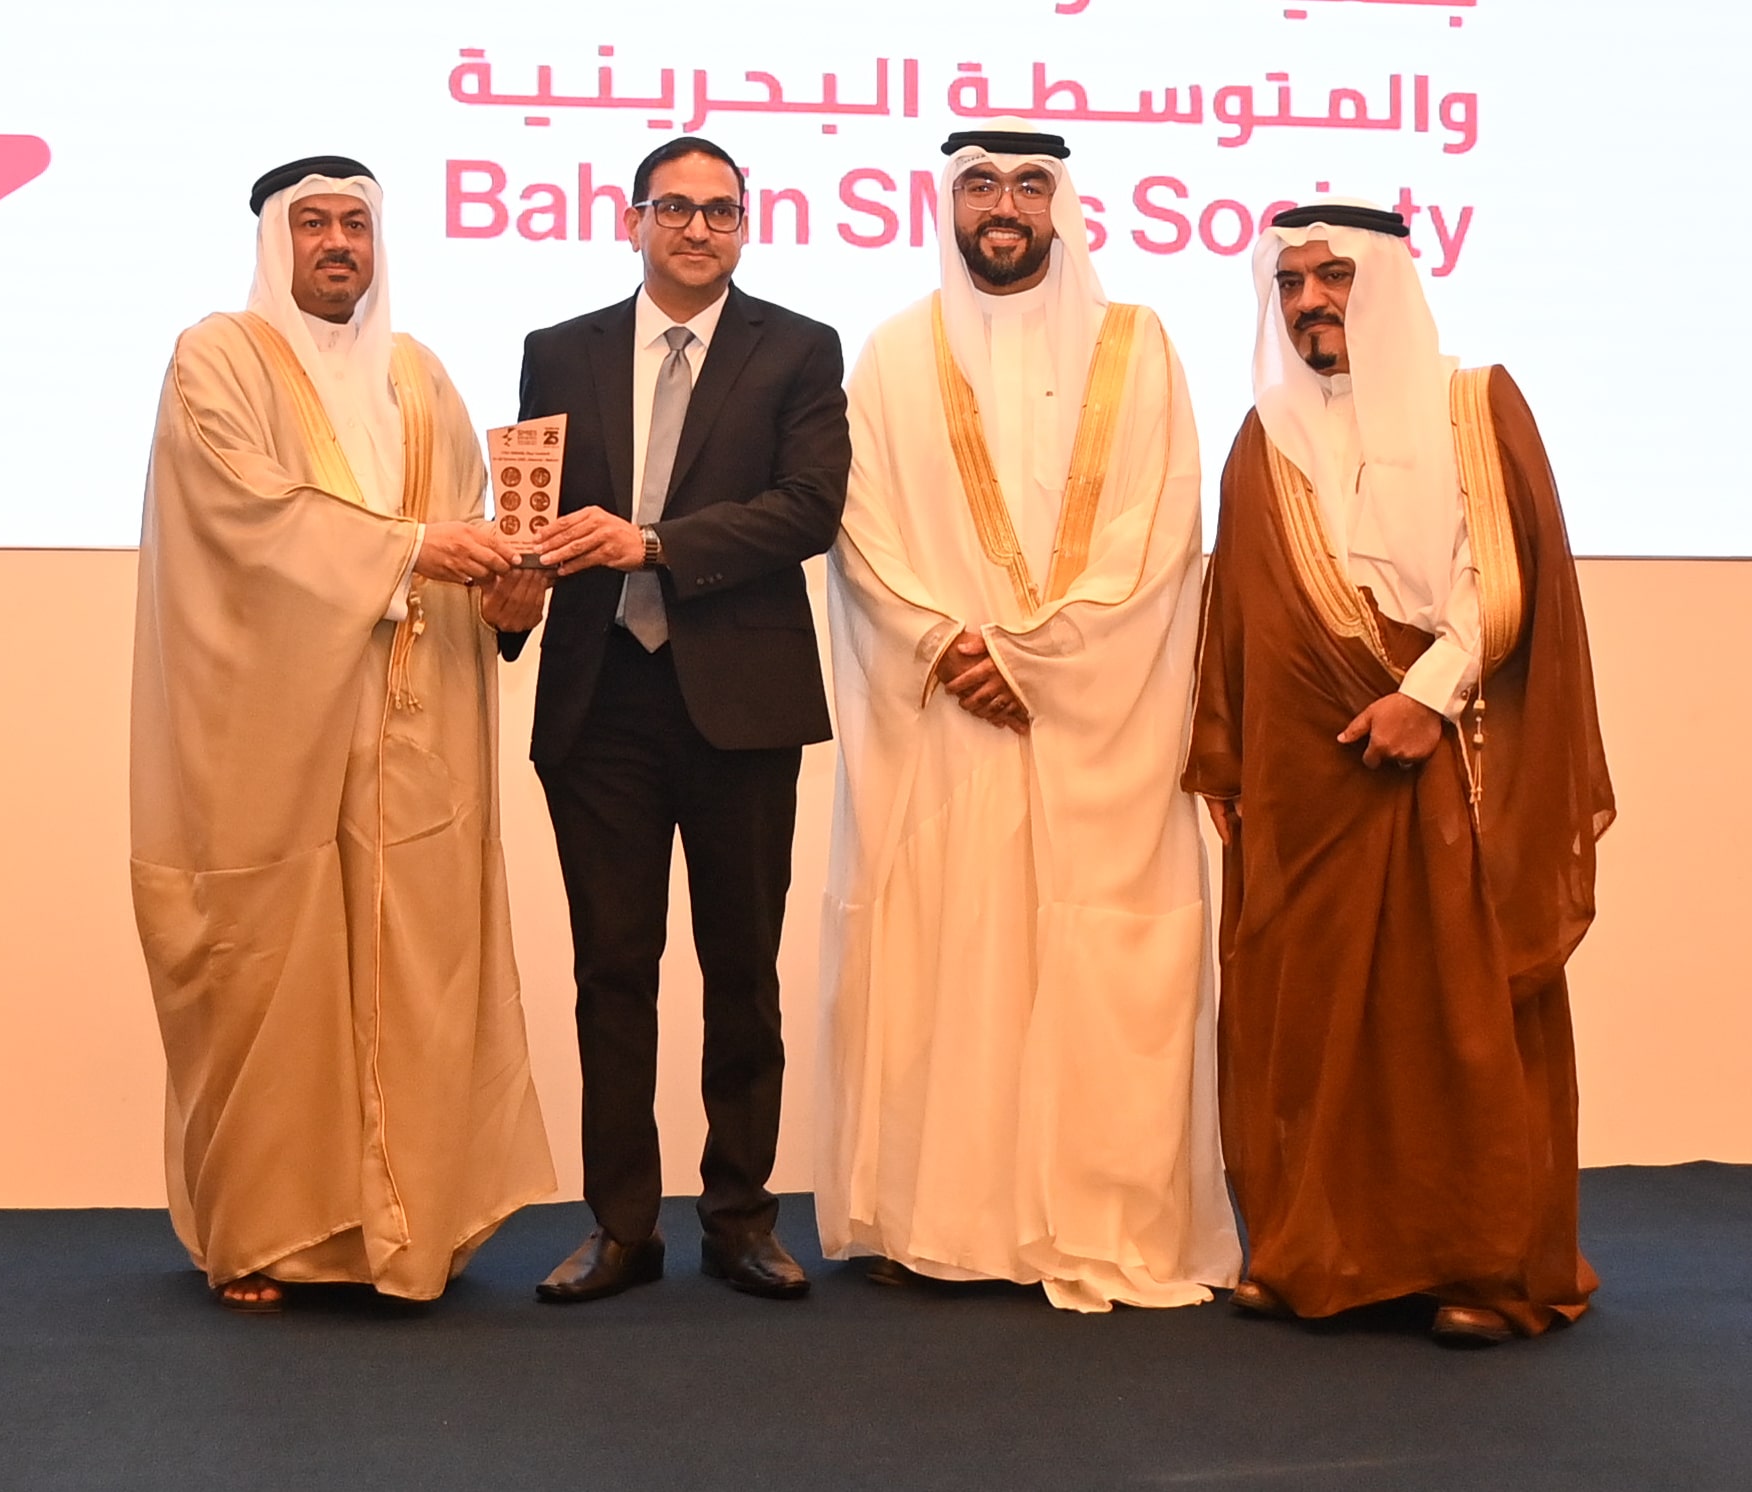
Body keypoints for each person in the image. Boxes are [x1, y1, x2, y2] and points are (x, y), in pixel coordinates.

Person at [814, 119, 1242, 1313]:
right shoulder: (892, 354)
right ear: (948, 205)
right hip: (944, 721)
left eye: (1028, 187)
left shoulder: (1136, 346)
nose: (1003, 207)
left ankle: (1098, 1218)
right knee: (943, 964)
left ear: (1061, 206)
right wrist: (947, 647)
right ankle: (936, 1221)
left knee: (1098, 969)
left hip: (1098, 725)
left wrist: (1036, 661)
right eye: (980, 187)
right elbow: (859, 529)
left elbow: (1162, 531)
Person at [130, 155, 557, 1311]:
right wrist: (414, 549)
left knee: (419, 975)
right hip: (277, 740)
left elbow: (469, 532)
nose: (337, 245)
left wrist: (512, 597)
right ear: (276, 241)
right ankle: (266, 1233)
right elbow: (245, 514)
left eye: (355, 225)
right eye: (313, 224)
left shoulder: (421, 376)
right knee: (274, 973)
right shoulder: (217, 357)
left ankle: (409, 1231)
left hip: (417, 740)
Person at [1184, 201, 1614, 1345]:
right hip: (1312, 774)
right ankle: (1316, 1250)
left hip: (1452, 751)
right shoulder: (1265, 433)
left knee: (1459, 1015)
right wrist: (1232, 754)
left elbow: (1507, 574)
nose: (1309, 302)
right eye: (1289, 285)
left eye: (1332, 277)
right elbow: (1239, 617)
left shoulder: (1474, 404)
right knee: (1315, 1013)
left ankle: (1483, 1259)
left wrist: (1425, 696)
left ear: (1382, 282)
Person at [502, 136, 849, 1303]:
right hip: (598, 700)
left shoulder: (797, 348)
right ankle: (621, 1227)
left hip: (739, 703)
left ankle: (741, 1218)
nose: (699, 228)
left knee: (742, 971)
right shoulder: (559, 351)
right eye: (676, 208)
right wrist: (511, 593)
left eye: (721, 211)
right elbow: (532, 514)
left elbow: (808, 509)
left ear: (744, 225)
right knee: (612, 973)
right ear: (633, 218)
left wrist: (652, 543)